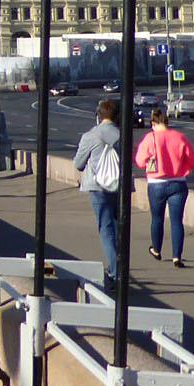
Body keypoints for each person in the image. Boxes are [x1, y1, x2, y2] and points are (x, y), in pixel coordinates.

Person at [73, 98, 125, 290]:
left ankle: (116, 273)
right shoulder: (123, 135)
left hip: (98, 188)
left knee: (106, 229)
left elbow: (78, 164)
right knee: (119, 229)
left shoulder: (91, 136)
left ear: (99, 115)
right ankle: (120, 267)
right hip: (120, 187)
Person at [135, 105, 194, 267]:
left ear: (153, 124)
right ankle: (177, 257)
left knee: (157, 219)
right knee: (177, 221)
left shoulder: (150, 138)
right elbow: (193, 162)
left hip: (156, 184)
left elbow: (139, 162)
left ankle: (156, 250)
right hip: (178, 183)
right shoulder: (180, 137)